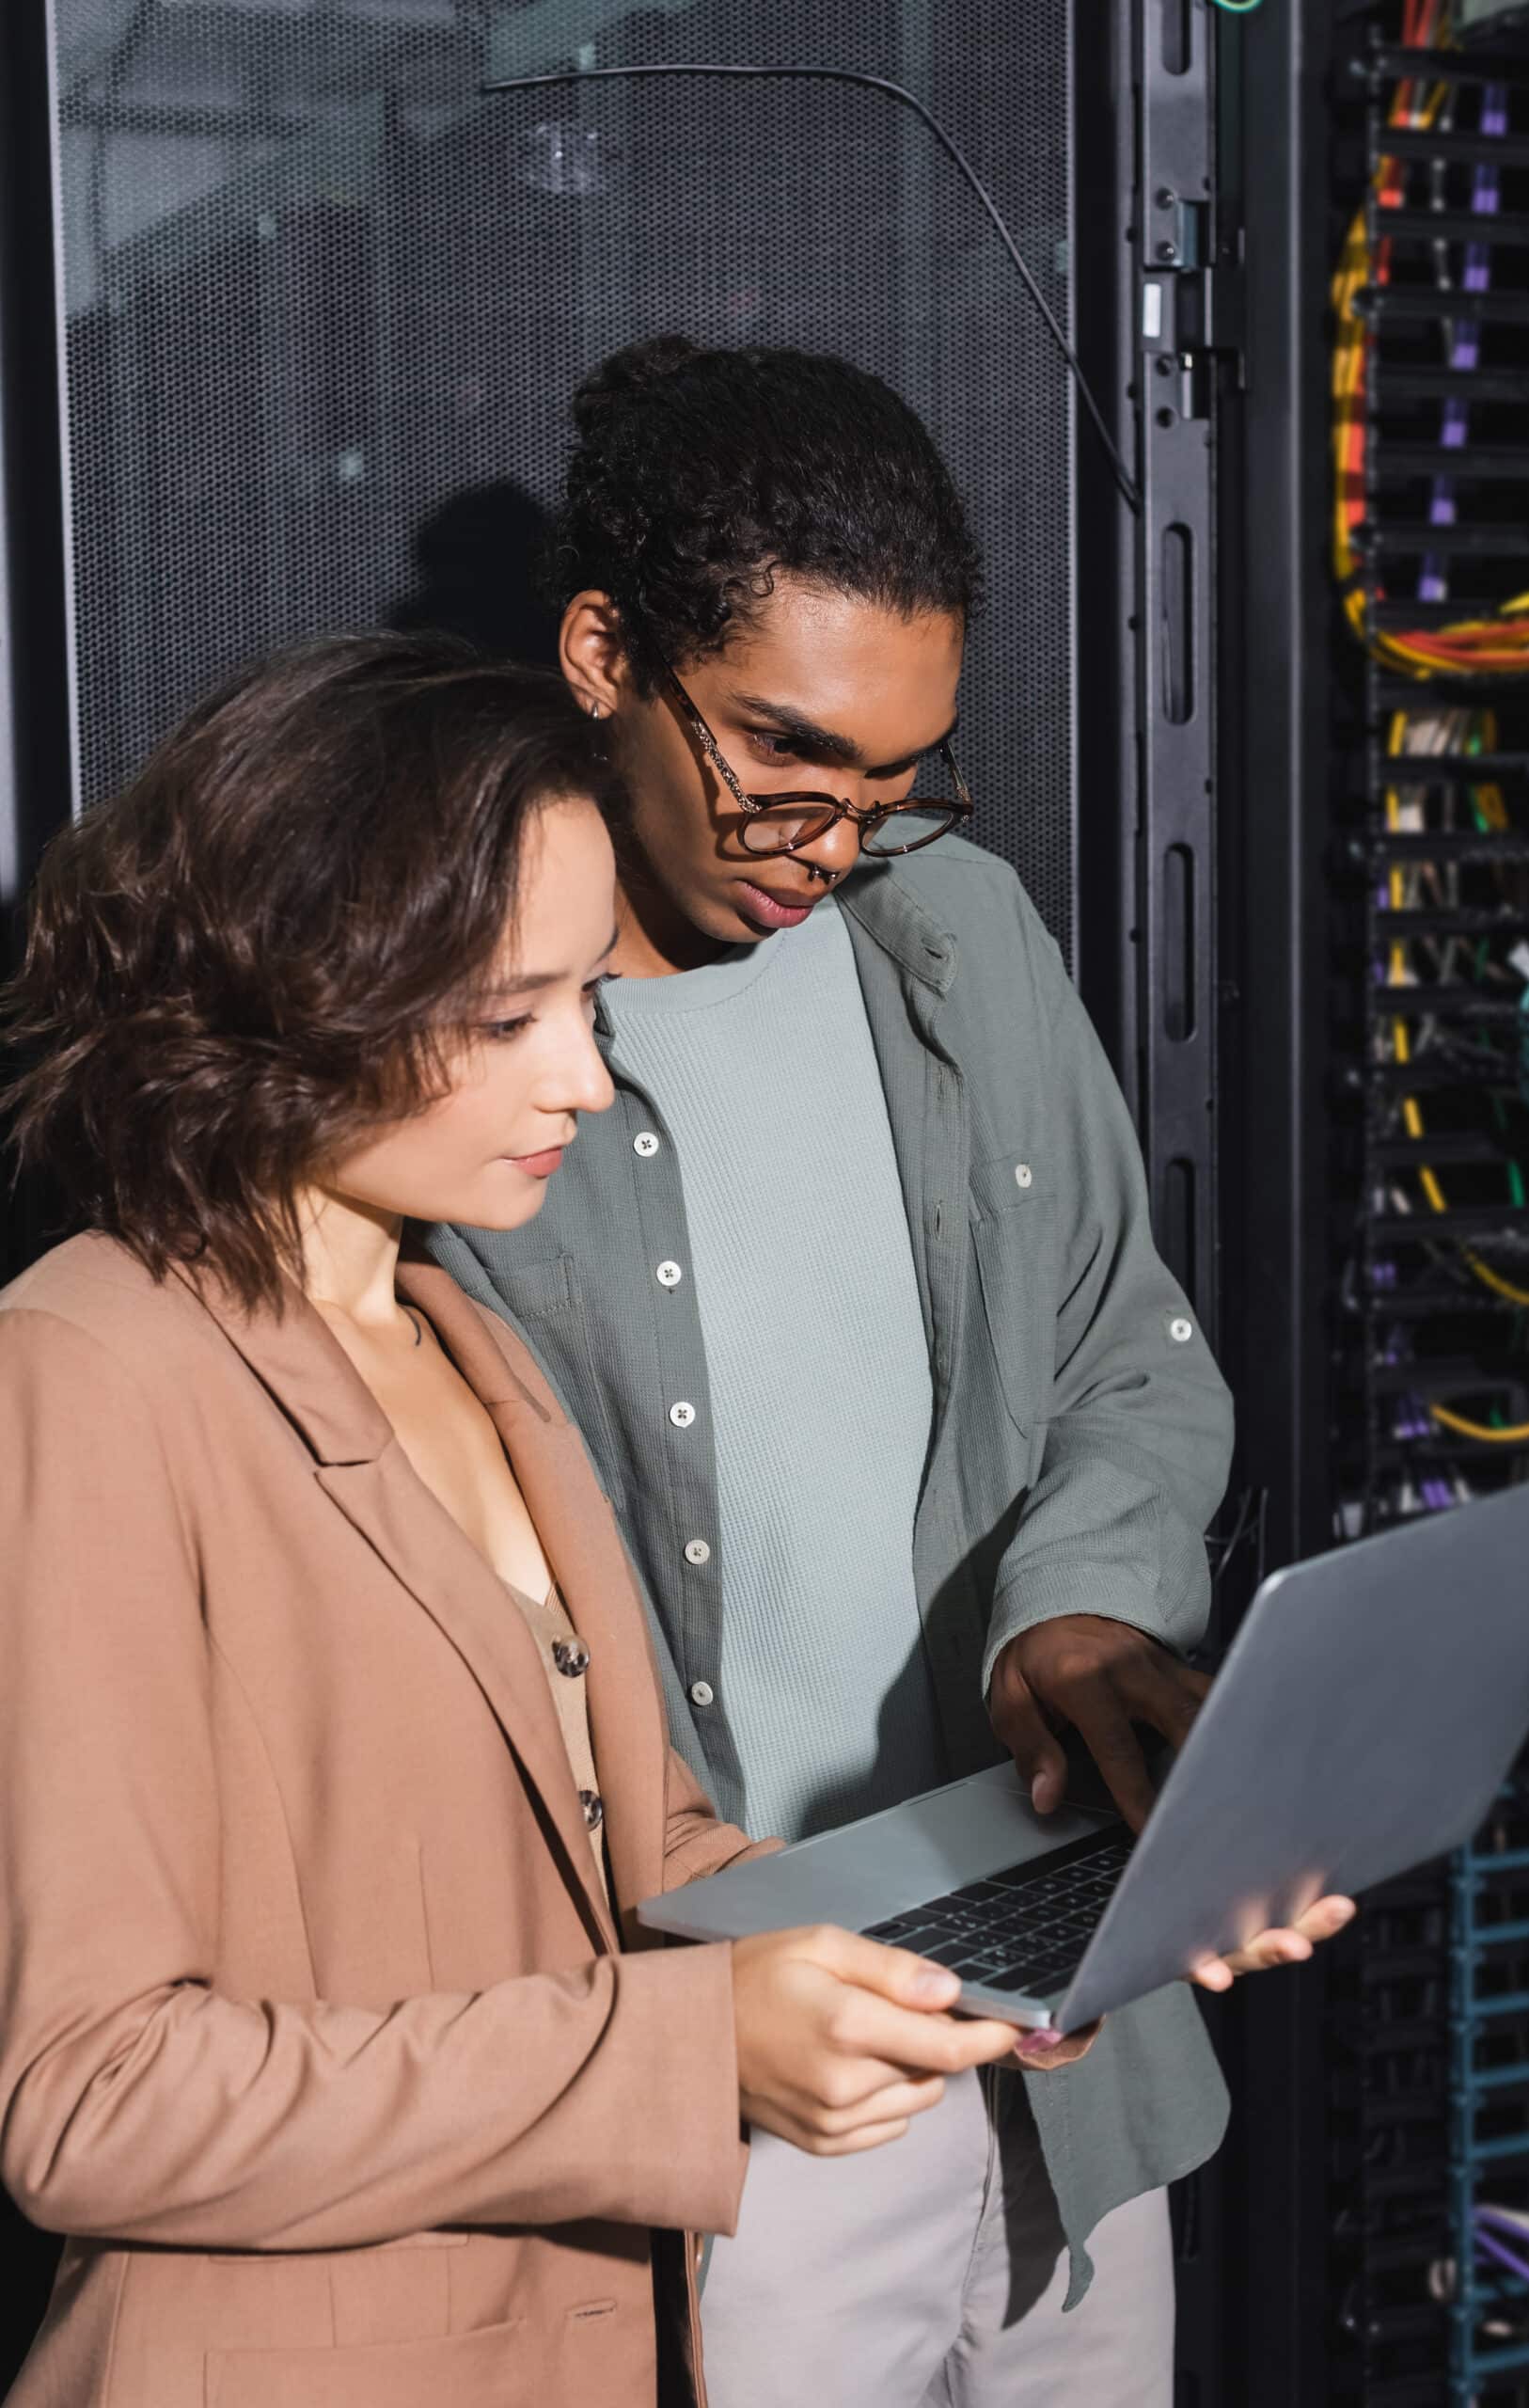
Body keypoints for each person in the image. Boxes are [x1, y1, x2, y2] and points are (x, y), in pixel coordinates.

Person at [424, 339, 1354, 2407]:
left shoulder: (963, 937)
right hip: (720, 2095)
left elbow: (1128, 1345)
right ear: (601, 653)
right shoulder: (435, 1041)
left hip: (1056, 2060)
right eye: (782, 756)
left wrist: (1079, 1612)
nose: (832, 839)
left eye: (895, 776)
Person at [0, 632, 1057, 2408]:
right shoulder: (83, 1368)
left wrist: (1001, 1942)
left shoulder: (461, 1333)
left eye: (587, 1006)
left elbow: (631, 1856)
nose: (579, 1078)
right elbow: (91, 2100)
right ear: (307, 977)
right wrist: (686, 2051)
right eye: (508, 1018)